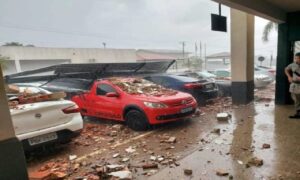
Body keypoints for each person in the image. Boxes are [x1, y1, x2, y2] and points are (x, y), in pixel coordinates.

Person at [285, 52, 300, 118]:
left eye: (298, 58)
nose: (296, 59)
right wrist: (289, 76)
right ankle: (298, 113)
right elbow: (286, 69)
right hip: (295, 85)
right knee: (296, 100)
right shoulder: (292, 65)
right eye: (295, 58)